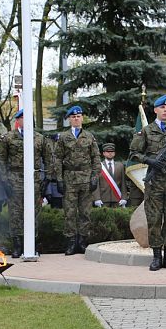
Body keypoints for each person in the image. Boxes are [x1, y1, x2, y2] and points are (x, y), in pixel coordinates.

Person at [129, 94, 166, 271]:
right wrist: (149, 161)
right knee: (154, 220)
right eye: (163, 107)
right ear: (156, 110)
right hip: (154, 183)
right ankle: (156, 257)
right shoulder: (146, 131)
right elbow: (133, 153)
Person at [0, 109, 51, 258]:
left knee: (33, 213)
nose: (27, 121)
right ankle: (17, 245)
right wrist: (4, 180)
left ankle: (32, 244)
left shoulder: (39, 138)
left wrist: (47, 179)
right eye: (23, 118)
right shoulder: (8, 138)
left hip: (34, 179)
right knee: (15, 214)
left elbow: (49, 159)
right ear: (18, 120)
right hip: (14, 179)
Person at [54, 105, 101, 256]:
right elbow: (58, 159)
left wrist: (94, 178)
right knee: (69, 213)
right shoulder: (63, 137)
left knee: (85, 212)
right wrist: (59, 180)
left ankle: (82, 242)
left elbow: (96, 158)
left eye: (78, 116)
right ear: (69, 119)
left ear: (82, 118)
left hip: (86, 179)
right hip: (69, 179)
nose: (76, 119)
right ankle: (70, 243)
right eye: (73, 117)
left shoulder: (89, 136)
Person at [94, 143, 128, 208]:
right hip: (103, 199)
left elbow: (123, 183)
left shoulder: (120, 166)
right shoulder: (99, 166)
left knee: (118, 218)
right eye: (108, 152)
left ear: (114, 153)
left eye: (112, 152)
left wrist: (124, 198)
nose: (110, 153)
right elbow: (96, 184)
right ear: (103, 153)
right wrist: (97, 198)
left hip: (117, 199)